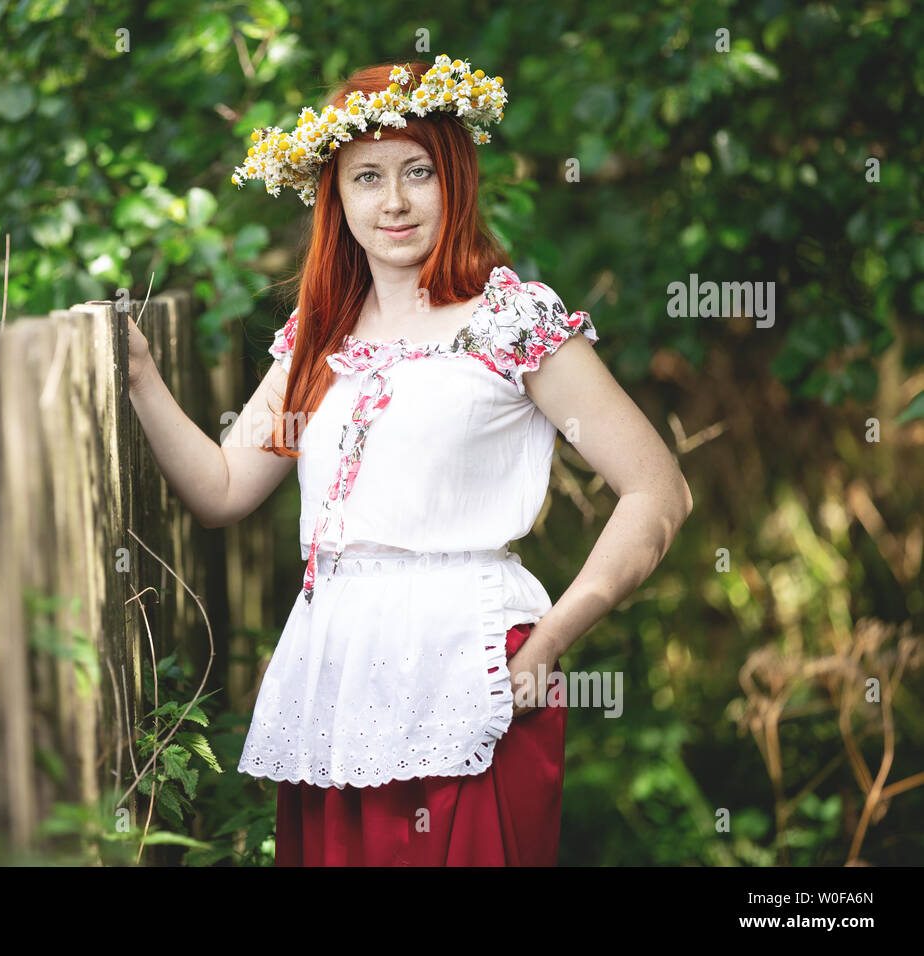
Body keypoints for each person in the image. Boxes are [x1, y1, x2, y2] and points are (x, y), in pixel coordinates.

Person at [124, 56, 692, 866]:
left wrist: (551, 642)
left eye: (417, 171)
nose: (393, 201)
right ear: (336, 197)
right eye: (366, 178)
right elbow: (221, 489)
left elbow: (657, 489)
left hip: (474, 676)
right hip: (337, 687)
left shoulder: (510, 324)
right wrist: (140, 375)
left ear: (453, 179)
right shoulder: (317, 341)